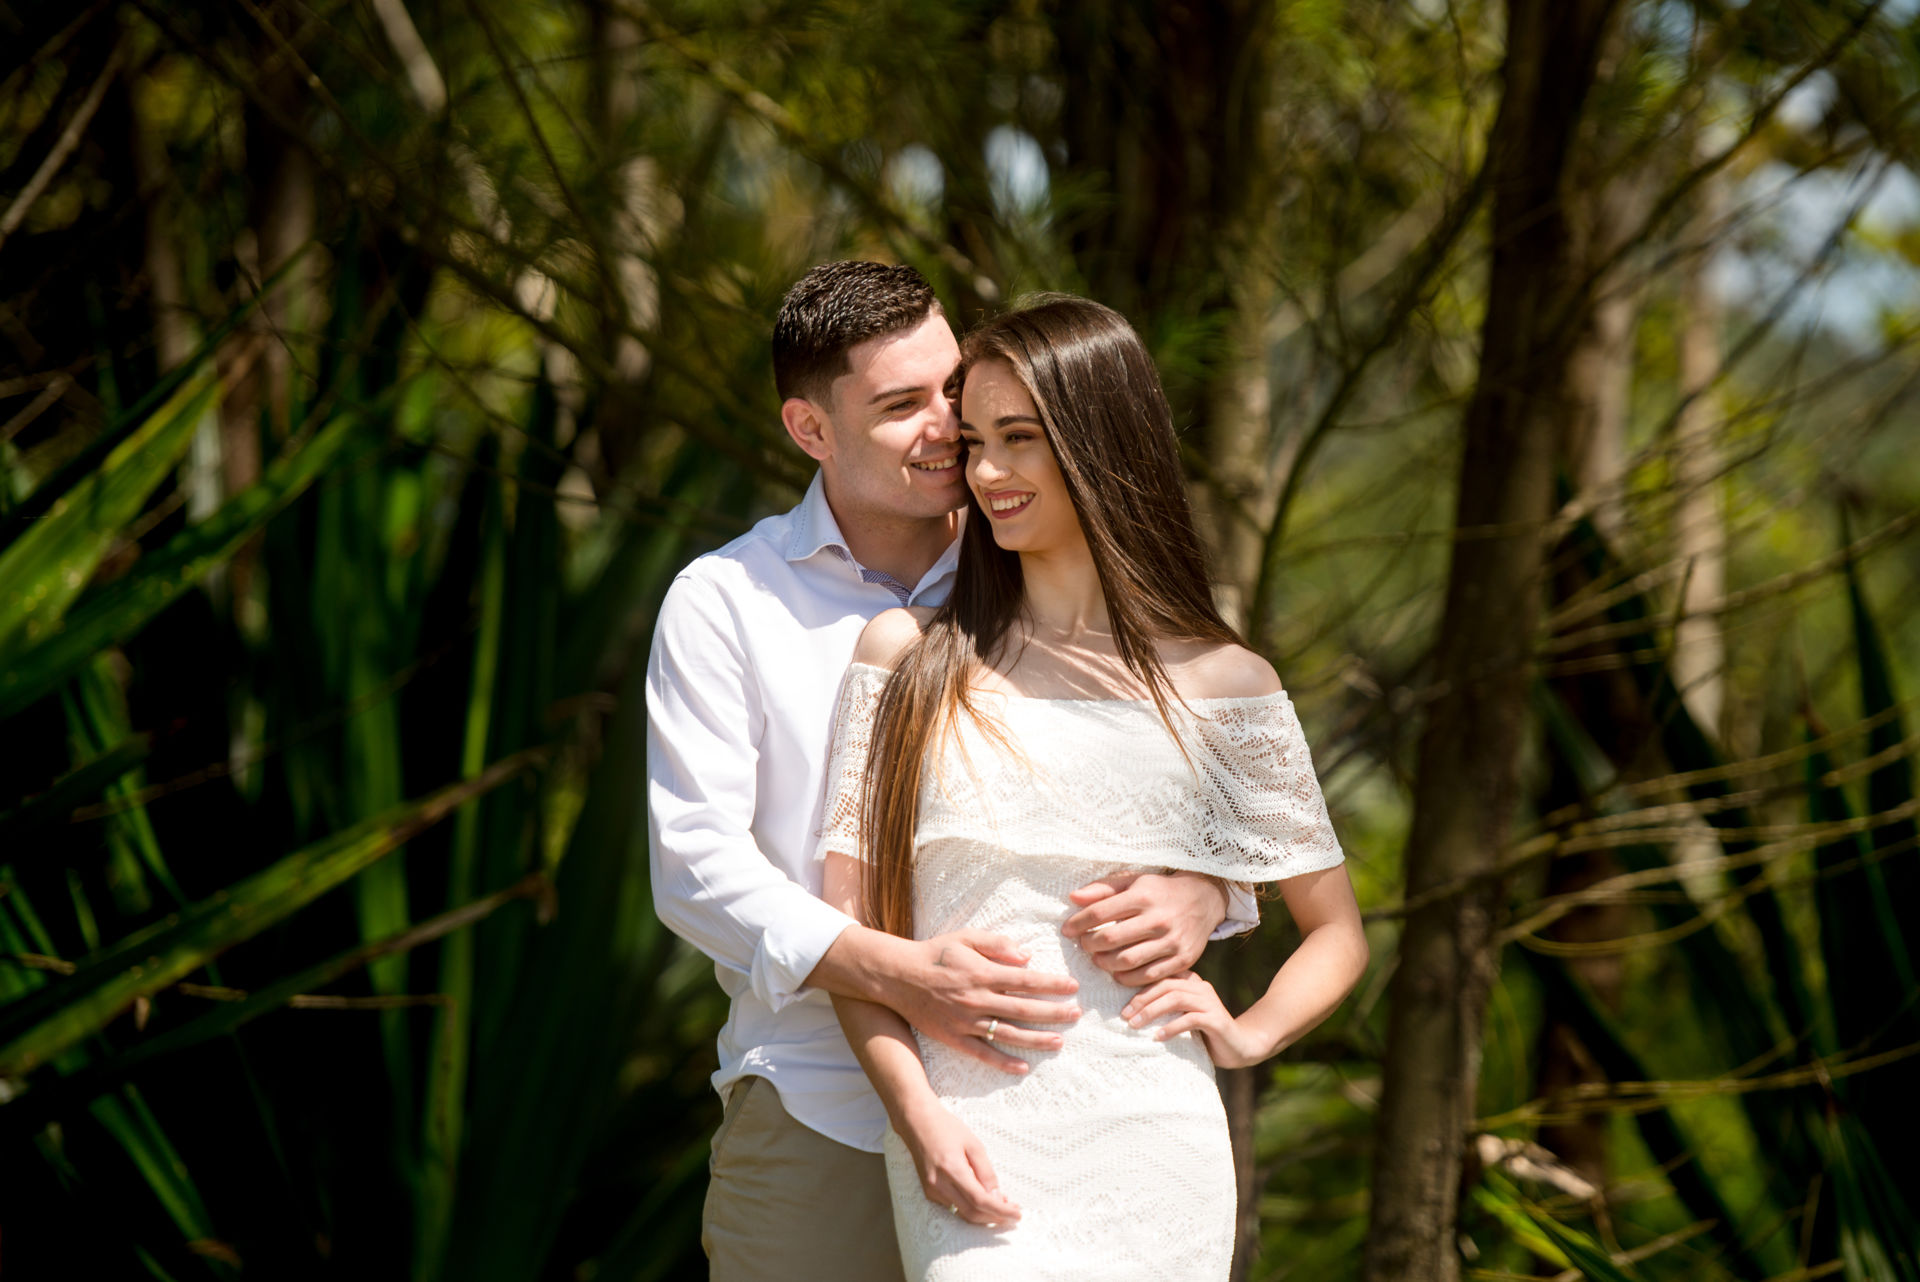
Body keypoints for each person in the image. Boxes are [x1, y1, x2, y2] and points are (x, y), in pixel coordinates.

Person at [645, 263, 1258, 1281]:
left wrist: (1211, 885)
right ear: (811, 431)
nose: (946, 425)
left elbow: (1196, 766)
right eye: (899, 406)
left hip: (1056, 1121)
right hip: (820, 1108)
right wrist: (898, 973)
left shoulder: (1042, 547)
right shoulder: (726, 602)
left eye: (949, 388)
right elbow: (694, 865)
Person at [816, 295, 1370, 1280]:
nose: (985, 473)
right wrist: (917, 1116)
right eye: (975, 442)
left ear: (1098, 440)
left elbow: (1336, 932)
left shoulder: (1226, 682)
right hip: (967, 1137)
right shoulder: (903, 659)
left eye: (1018, 439)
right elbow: (847, 939)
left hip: (1159, 1138)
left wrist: (1243, 1037)